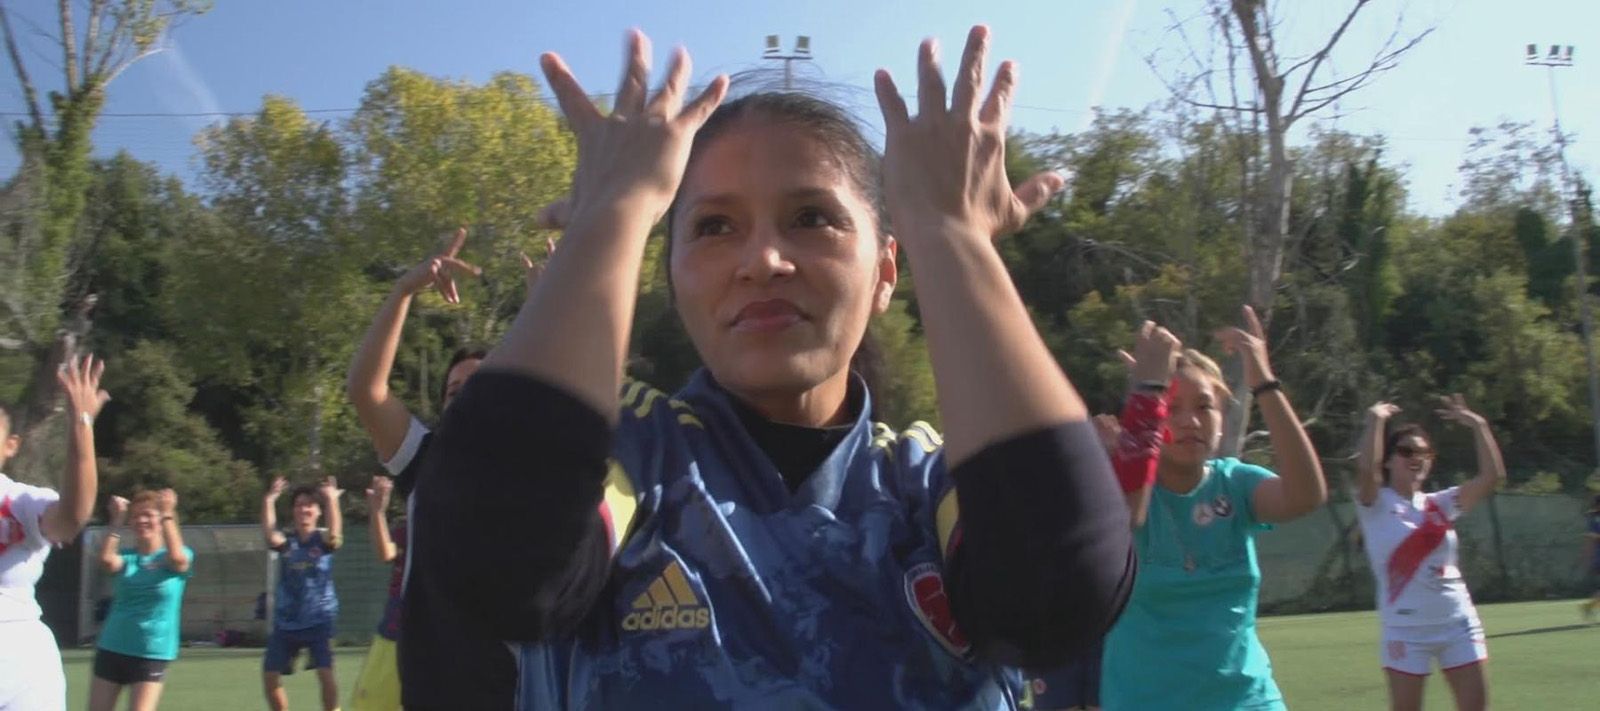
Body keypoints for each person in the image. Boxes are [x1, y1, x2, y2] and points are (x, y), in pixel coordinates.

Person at [406, 26, 1136, 709]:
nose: (762, 260)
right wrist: (614, 212)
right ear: (670, 279)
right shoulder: (629, 461)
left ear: (886, 272)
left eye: (812, 217)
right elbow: (495, 561)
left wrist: (951, 233)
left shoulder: (927, 487)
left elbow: (1060, 595)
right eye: (714, 226)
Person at [344, 228, 544, 710]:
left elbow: (582, 389)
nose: (465, 395)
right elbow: (365, 390)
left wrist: (551, 306)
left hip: (518, 683)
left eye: (480, 384)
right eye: (454, 390)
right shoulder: (424, 457)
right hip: (435, 683)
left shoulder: (536, 460)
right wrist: (403, 292)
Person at [1099, 316, 1328, 711]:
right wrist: (1139, 411)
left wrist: (1264, 382)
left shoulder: (1235, 484)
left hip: (1248, 701)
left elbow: (1306, 495)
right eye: (1171, 408)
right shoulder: (1124, 493)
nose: (1190, 421)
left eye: (1205, 407)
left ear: (1222, 419)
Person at [1356, 396, 1505, 711]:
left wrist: (1478, 425)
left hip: (1458, 623)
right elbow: (1367, 471)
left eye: (1424, 453)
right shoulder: (1375, 504)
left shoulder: (1441, 503)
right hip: (1405, 630)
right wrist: (1375, 422)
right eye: (1407, 451)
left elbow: (1491, 477)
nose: (1417, 458)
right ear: (1388, 460)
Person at [0, 354, 107, 711]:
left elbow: (72, 517)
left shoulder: (19, 502)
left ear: (11, 445)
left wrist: (81, 423)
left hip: (19, 664)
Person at [89, 489, 194, 711]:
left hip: (151, 653)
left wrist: (167, 512)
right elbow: (106, 561)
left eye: (148, 514)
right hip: (112, 646)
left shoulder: (176, 556)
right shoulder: (128, 558)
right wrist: (117, 520)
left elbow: (178, 559)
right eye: (135, 516)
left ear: (162, 520)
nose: (141, 520)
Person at [261, 476, 344, 711]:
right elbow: (270, 535)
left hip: (319, 619)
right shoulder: (288, 543)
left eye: (309, 505)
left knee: (325, 673)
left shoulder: (323, 541)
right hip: (287, 621)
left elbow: (335, 535)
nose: (304, 509)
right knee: (270, 676)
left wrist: (332, 500)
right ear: (293, 511)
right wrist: (269, 500)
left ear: (318, 511)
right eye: (299, 505)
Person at [1584, 494, 1600, 622]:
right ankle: (1589, 607)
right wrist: (1588, 557)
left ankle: (1590, 606)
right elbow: (1592, 538)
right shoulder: (1594, 519)